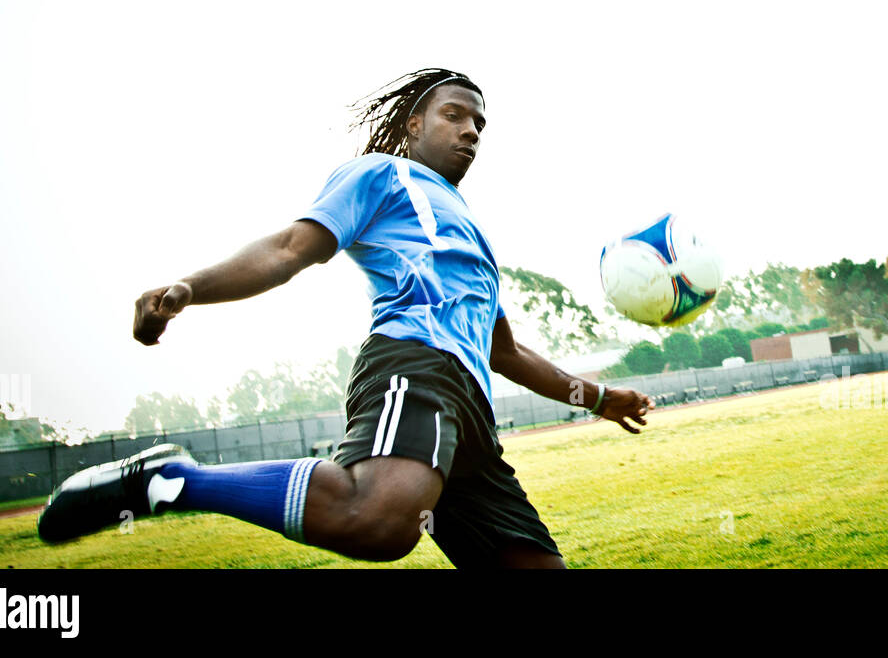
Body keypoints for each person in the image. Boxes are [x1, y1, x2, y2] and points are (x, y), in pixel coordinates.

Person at [36, 68, 653, 569]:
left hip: (470, 415)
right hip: (414, 367)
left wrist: (600, 398)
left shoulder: (469, 227)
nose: (471, 132)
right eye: (454, 115)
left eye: (480, 124)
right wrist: (189, 288)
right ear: (413, 123)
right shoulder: (382, 174)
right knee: (379, 522)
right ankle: (170, 481)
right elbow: (287, 251)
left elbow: (505, 353)